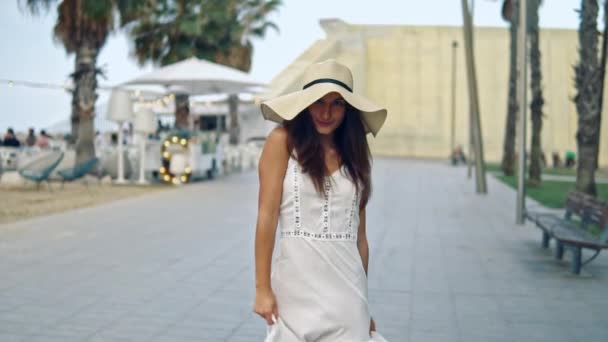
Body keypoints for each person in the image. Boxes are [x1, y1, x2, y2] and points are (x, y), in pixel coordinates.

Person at [254, 59, 388, 341]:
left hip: (346, 295)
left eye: (337, 103)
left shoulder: (355, 153)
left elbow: (360, 239)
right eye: (319, 102)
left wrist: (363, 303)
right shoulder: (282, 142)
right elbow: (266, 217)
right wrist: (262, 288)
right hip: (294, 290)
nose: (327, 112)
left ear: (348, 109)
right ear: (305, 103)